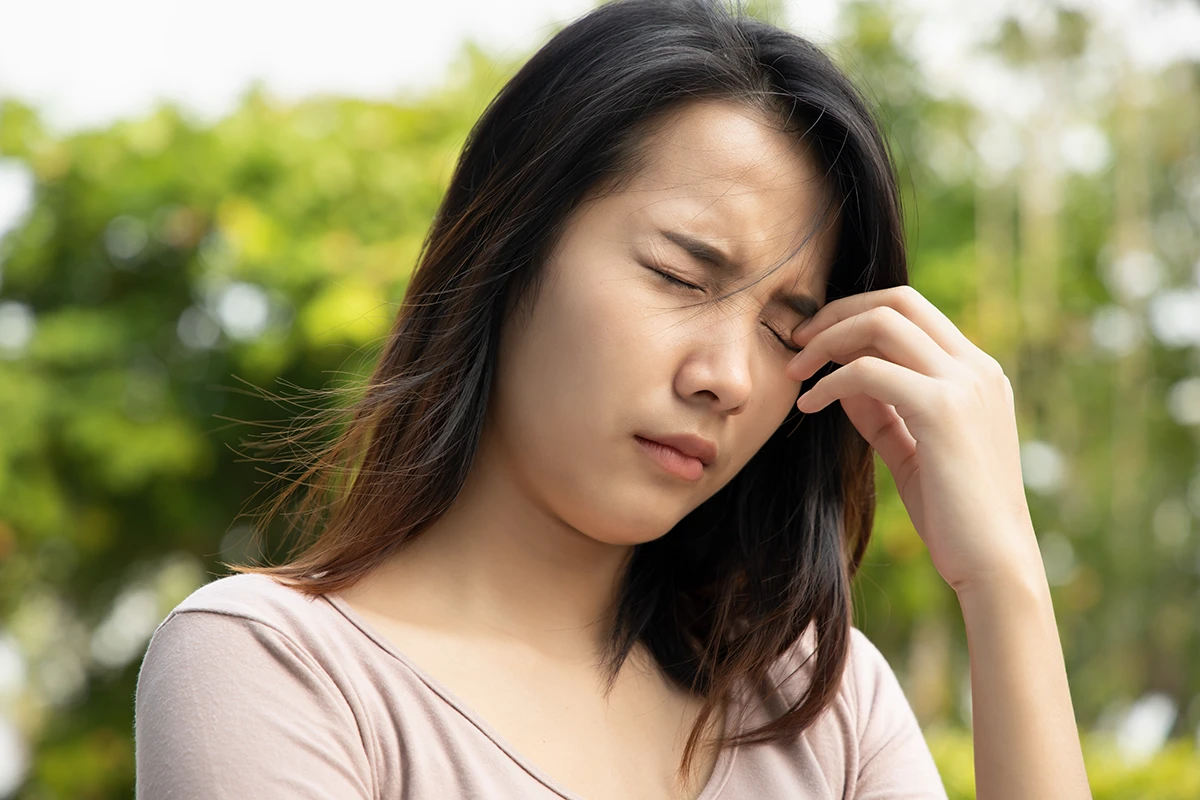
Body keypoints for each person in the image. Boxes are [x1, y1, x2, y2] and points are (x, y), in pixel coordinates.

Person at [133, 0, 1092, 798]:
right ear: (510, 245)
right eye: (682, 274)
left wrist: (1003, 580)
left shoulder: (821, 709)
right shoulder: (278, 672)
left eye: (784, 326)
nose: (729, 376)